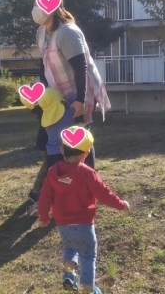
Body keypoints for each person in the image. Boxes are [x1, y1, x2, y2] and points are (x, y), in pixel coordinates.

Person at [30, 0, 111, 200]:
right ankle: (50, 191)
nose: (36, 9)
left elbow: (81, 66)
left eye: (40, 5)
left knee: (80, 141)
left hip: (78, 93)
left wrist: (80, 101)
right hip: (57, 97)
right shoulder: (42, 32)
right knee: (53, 143)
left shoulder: (67, 32)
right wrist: (42, 97)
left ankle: (88, 189)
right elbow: (43, 66)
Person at [38, 126, 130, 294]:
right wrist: (121, 205)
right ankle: (88, 288)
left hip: (63, 225)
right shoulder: (87, 173)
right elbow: (104, 193)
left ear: (61, 150)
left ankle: (69, 272)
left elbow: (44, 196)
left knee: (70, 247)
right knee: (88, 256)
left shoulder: (52, 172)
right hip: (84, 225)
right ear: (86, 153)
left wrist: (43, 216)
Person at [20, 87, 78, 216]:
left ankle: (39, 206)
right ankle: (64, 205)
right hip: (62, 156)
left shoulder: (46, 120)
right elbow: (76, 103)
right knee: (65, 181)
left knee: (51, 183)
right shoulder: (65, 118)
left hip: (51, 156)